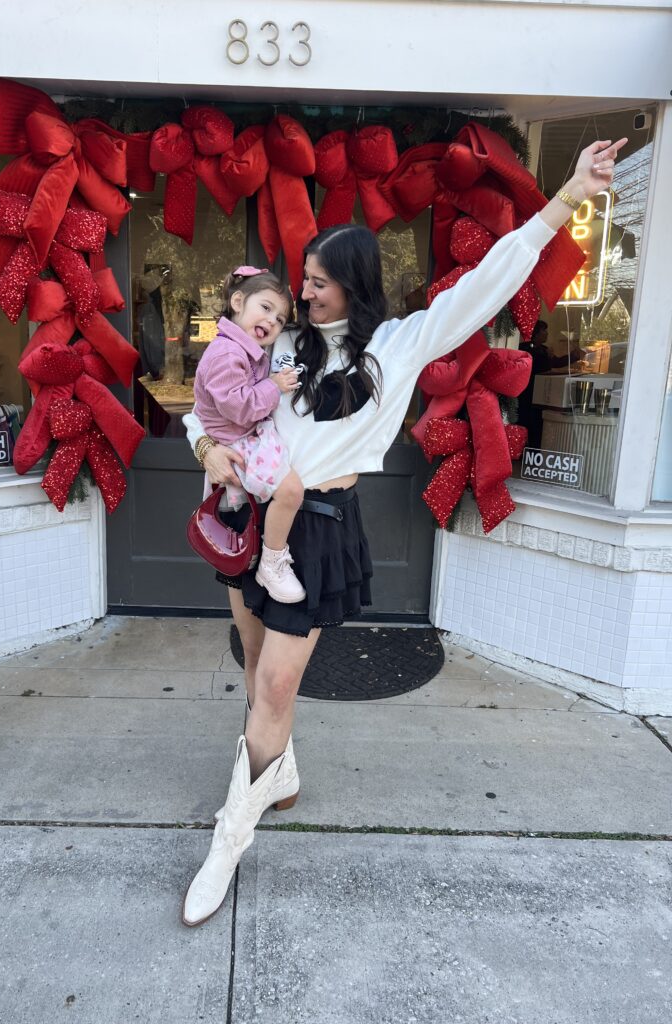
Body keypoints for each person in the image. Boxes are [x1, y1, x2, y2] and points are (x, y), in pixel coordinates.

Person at [180, 137, 627, 927]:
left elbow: (493, 280)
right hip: (252, 515)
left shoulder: (399, 344)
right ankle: (277, 775)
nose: (301, 295)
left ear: (350, 284)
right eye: (300, 283)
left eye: (315, 284)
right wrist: (207, 447)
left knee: (277, 684)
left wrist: (568, 196)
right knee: (258, 676)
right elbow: (208, 407)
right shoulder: (282, 345)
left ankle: (227, 841)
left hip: (317, 528)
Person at [194, 266, 307, 603]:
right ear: (238, 301)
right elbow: (239, 408)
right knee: (290, 491)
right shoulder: (227, 354)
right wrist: (273, 386)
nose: (272, 322)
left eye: (280, 319)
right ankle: (272, 563)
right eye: (266, 308)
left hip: (243, 436)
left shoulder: (241, 347)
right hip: (239, 439)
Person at [517, 319, 586, 448]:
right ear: (536, 333)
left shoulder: (544, 349)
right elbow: (535, 365)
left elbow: (556, 363)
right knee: (526, 421)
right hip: (527, 393)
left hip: (540, 394)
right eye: (544, 331)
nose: (547, 334)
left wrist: (574, 356)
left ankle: (534, 452)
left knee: (537, 424)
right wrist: (544, 355)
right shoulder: (526, 348)